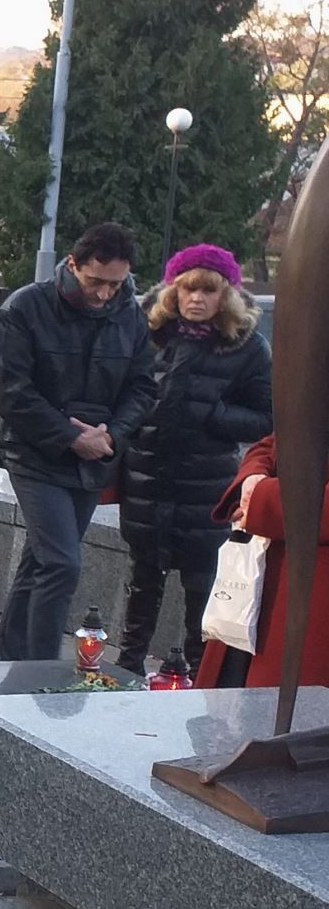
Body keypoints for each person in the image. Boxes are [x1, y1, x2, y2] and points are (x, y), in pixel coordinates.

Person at [0, 222, 157, 661]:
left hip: (95, 456)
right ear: (72, 264)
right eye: (95, 281)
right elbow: (12, 391)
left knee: (41, 561)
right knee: (62, 563)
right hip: (33, 452)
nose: (104, 294)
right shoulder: (26, 306)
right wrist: (70, 436)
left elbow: (143, 387)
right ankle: (42, 670)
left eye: (115, 284)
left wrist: (111, 436)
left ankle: (12, 665)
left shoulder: (131, 314)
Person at [114, 244, 272, 676]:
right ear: (174, 291)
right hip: (146, 480)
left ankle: (199, 678)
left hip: (206, 486)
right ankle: (125, 671)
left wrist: (213, 414)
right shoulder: (150, 334)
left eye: (208, 290)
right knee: (142, 582)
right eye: (188, 289)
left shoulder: (247, 347)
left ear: (226, 297)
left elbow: (267, 419)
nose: (197, 299)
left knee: (201, 587)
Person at [197, 436, 329, 689]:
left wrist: (260, 499)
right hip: (260, 579)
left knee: (293, 701)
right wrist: (252, 477)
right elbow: (273, 443)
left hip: (311, 595)